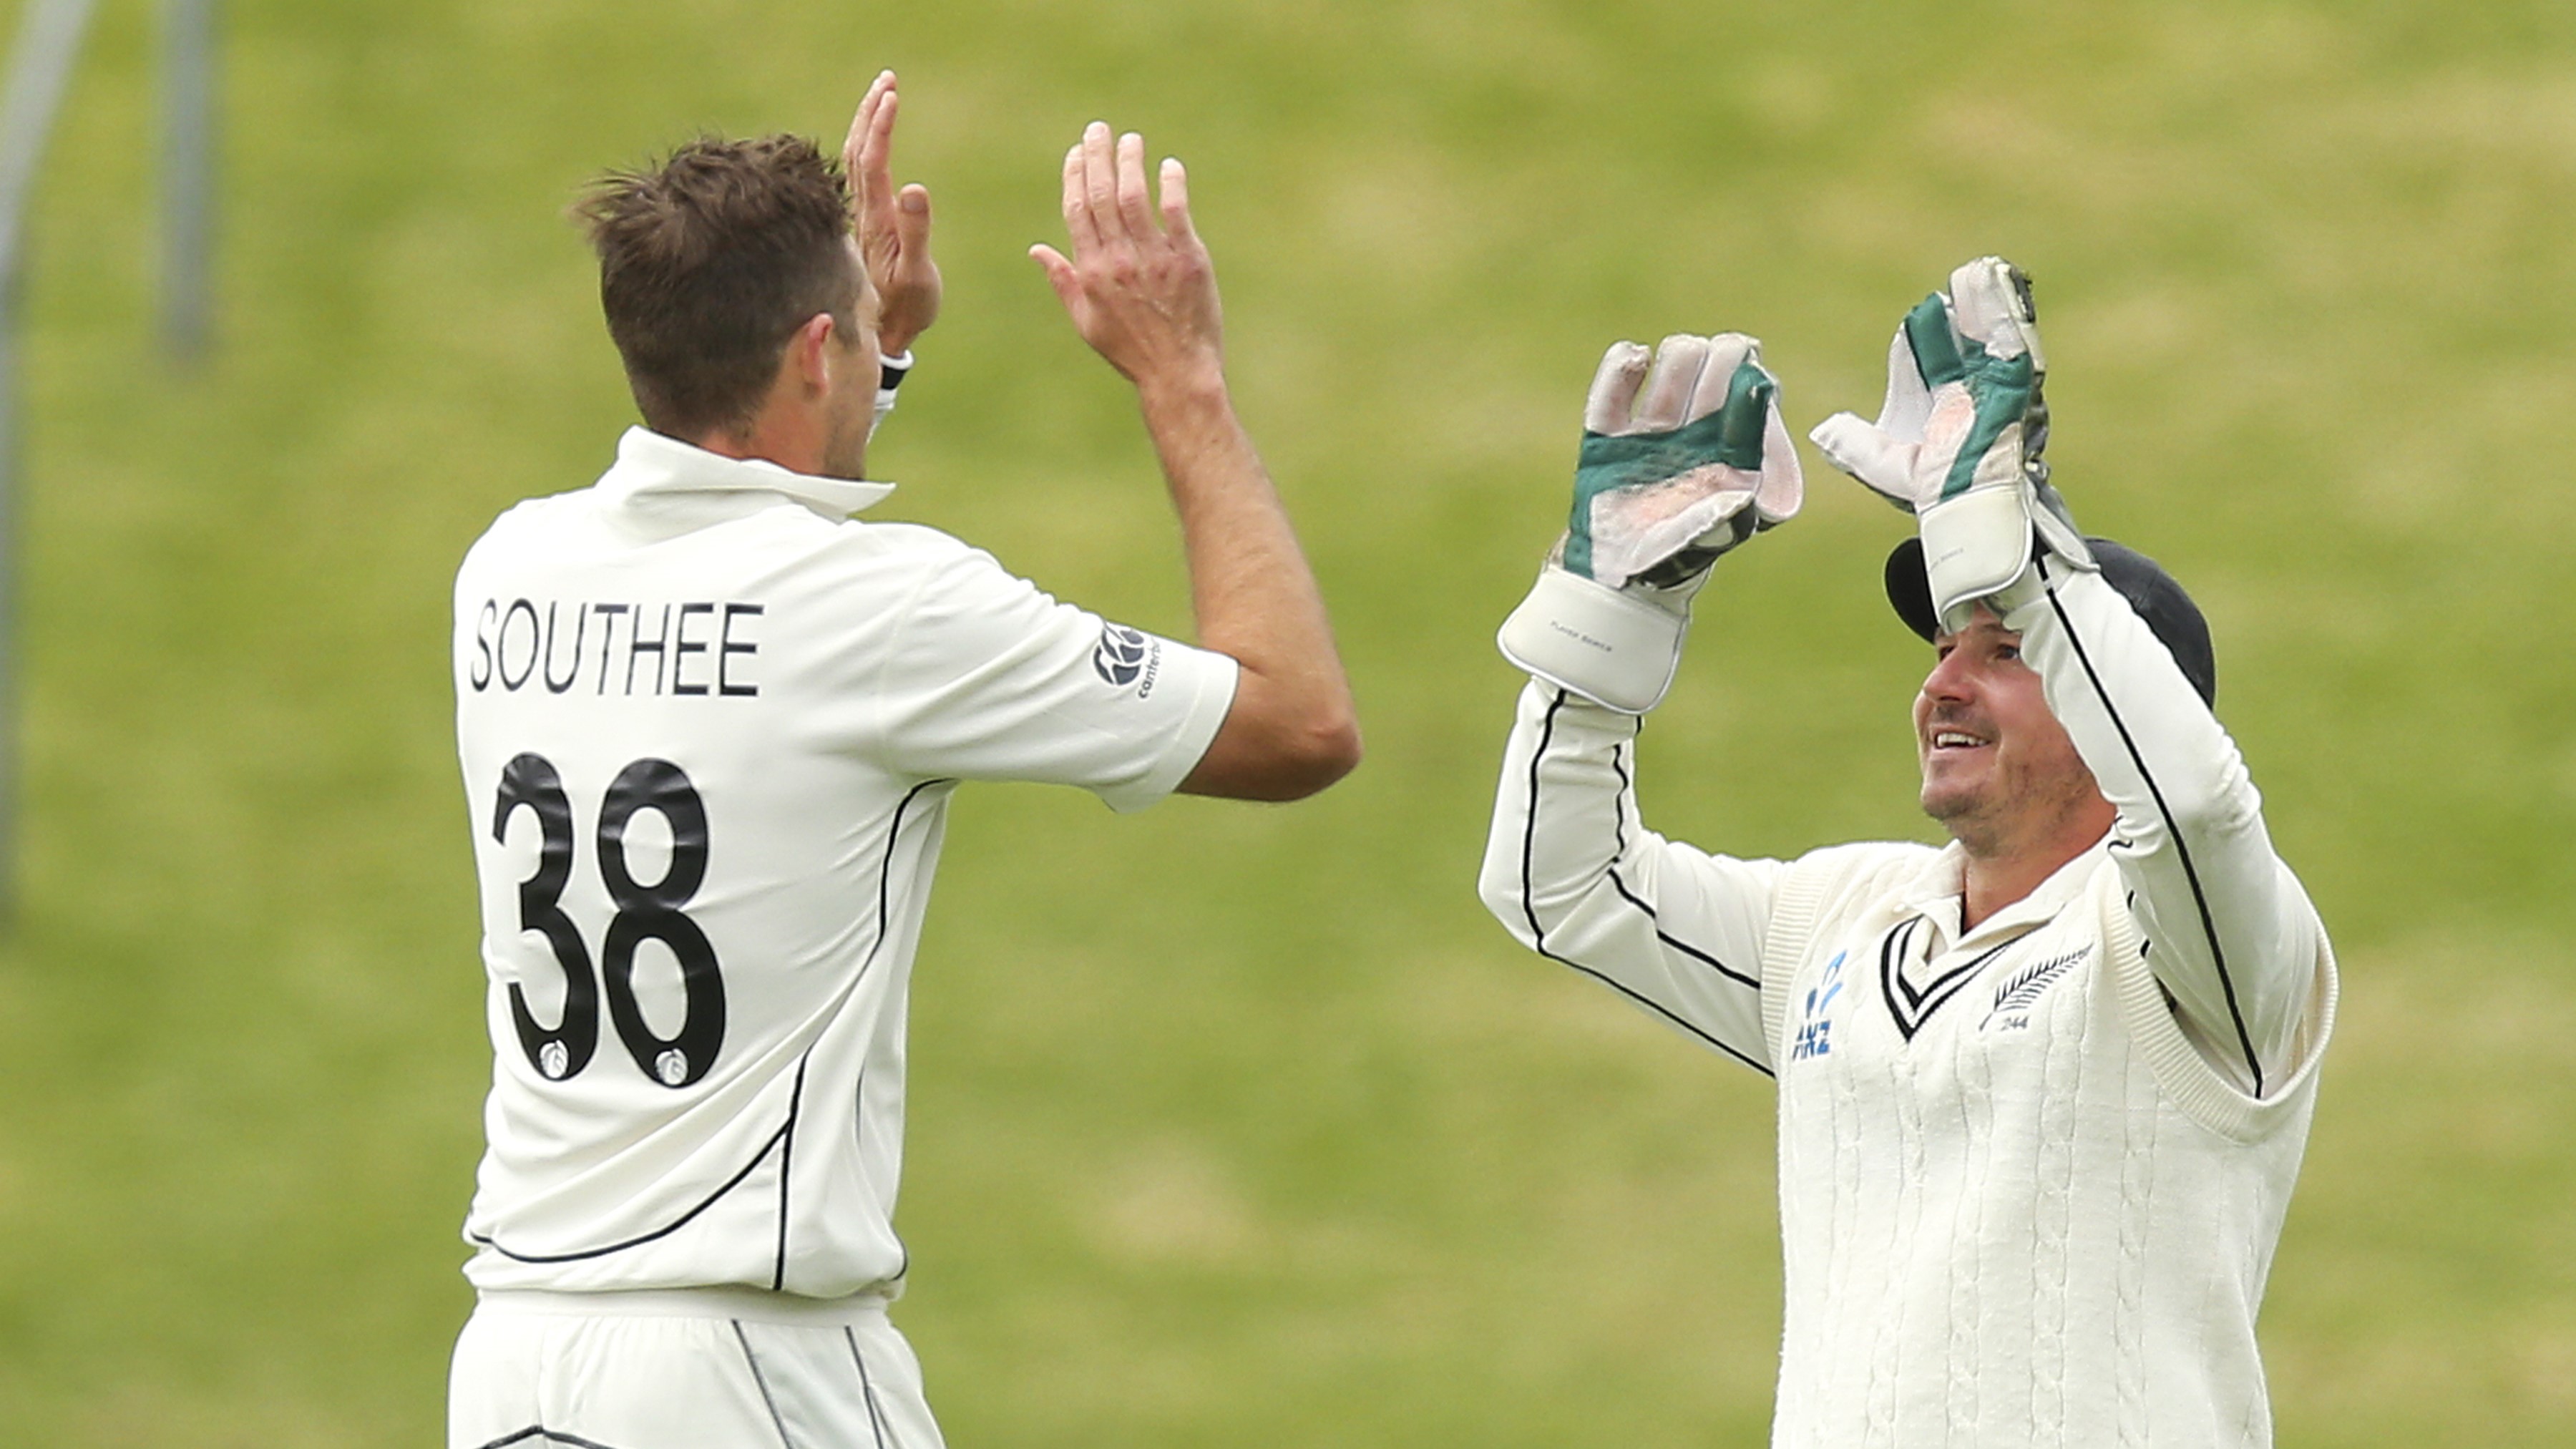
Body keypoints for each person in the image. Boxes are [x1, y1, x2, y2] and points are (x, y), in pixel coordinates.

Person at [446, 71, 1358, 1449]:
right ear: (816, 355)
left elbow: (754, 583)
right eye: (863, 342)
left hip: (516, 1363)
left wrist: (873, 348)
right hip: (751, 1368)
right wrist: (1183, 377)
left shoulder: (506, 571)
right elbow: (1299, 723)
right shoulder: (891, 609)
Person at [1478, 259, 2336, 1447]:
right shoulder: (1839, 919)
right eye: (1942, 646)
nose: (1941, 683)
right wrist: (1608, 614)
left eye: (2002, 650)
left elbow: (2195, 808)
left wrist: (2019, 550)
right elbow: (1559, 885)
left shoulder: (2221, 949)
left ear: (2118, 697)